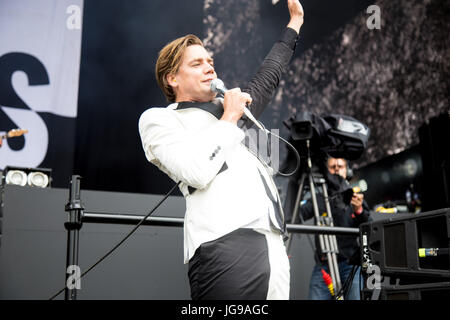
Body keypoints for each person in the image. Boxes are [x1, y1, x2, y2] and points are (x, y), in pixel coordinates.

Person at [138, 0, 304, 300]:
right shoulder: (161, 119)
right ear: (172, 78)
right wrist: (229, 116)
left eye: (210, 60)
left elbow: (268, 77)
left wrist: (295, 23)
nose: (209, 66)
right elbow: (196, 172)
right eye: (197, 63)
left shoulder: (228, 110)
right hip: (225, 243)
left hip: (274, 245)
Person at [297, 157, 371, 300]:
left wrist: (359, 210)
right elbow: (297, 215)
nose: (336, 169)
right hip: (323, 265)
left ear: (347, 171)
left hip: (349, 263)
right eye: (332, 167)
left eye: (340, 166)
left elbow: (370, 227)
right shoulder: (318, 197)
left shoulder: (353, 196)